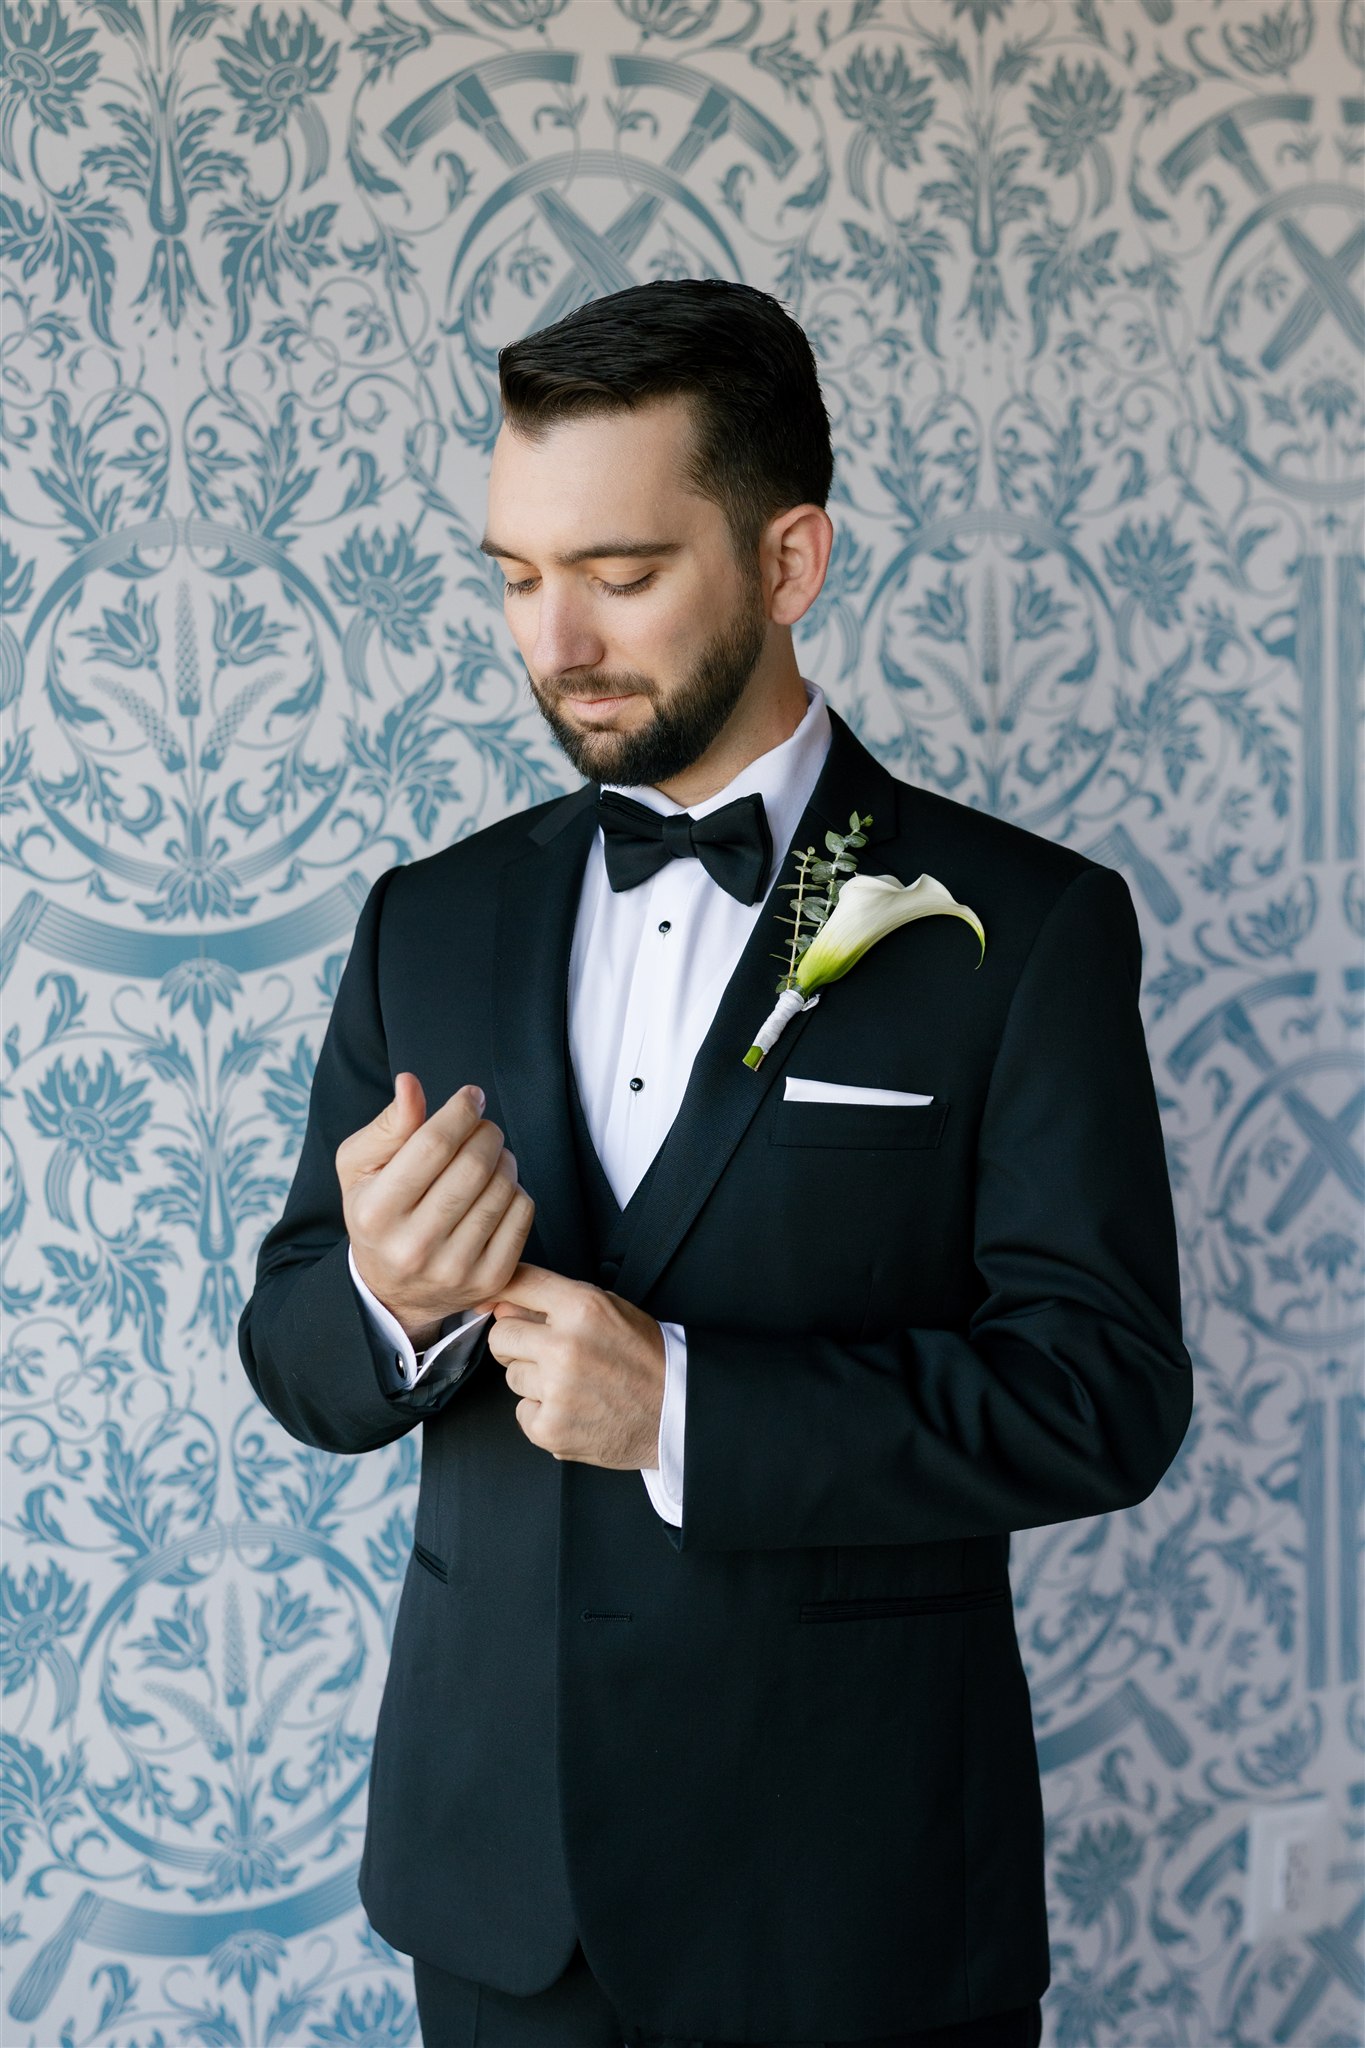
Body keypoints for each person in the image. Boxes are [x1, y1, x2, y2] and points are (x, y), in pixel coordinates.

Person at [237, 278, 1192, 2048]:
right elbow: (296, 1342)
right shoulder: (422, 926)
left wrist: (685, 1406)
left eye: (618, 573)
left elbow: (1104, 1395)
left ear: (788, 559)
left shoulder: (1029, 927)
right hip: (500, 1892)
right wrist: (386, 1299)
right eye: (517, 578)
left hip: (853, 1896)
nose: (555, 642)